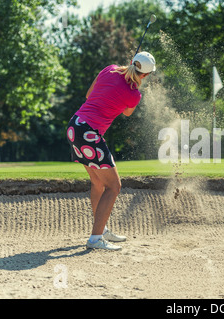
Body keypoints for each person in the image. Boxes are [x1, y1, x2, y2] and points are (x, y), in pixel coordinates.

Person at [66, 52, 156, 251]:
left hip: (75, 126)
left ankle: (102, 229)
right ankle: (95, 238)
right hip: (89, 133)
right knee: (114, 186)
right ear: (146, 76)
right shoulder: (134, 94)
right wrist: (131, 85)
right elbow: (127, 112)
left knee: (98, 183)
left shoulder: (109, 69)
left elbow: (89, 95)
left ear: (131, 61)